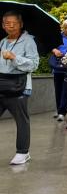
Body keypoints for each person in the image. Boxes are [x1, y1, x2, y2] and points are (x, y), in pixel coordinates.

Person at [1, 10, 38, 165]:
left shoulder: (28, 41)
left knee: (21, 120)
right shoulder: (2, 42)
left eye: (14, 23)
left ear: (21, 24)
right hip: (2, 85)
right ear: (3, 25)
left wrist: (14, 58)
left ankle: (23, 152)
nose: (11, 26)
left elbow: (34, 64)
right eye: (7, 23)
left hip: (19, 86)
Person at [49, 19, 67, 121]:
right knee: (58, 90)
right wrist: (55, 50)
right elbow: (50, 46)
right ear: (62, 27)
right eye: (65, 27)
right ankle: (59, 110)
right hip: (57, 67)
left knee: (66, 91)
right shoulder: (57, 36)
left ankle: (62, 112)